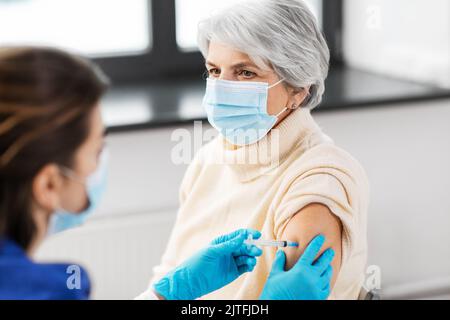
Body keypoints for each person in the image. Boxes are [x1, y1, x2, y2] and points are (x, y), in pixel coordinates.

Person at [0, 46, 334, 300]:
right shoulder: (41, 291)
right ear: (49, 183)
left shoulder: (318, 171)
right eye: (96, 151)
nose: (101, 165)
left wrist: (167, 294)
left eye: (245, 72)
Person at [151, 0, 369, 299]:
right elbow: (168, 270)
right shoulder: (208, 159)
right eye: (214, 70)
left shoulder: (318, 182)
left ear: (298, 88)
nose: (221, 87)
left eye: (245, 73)